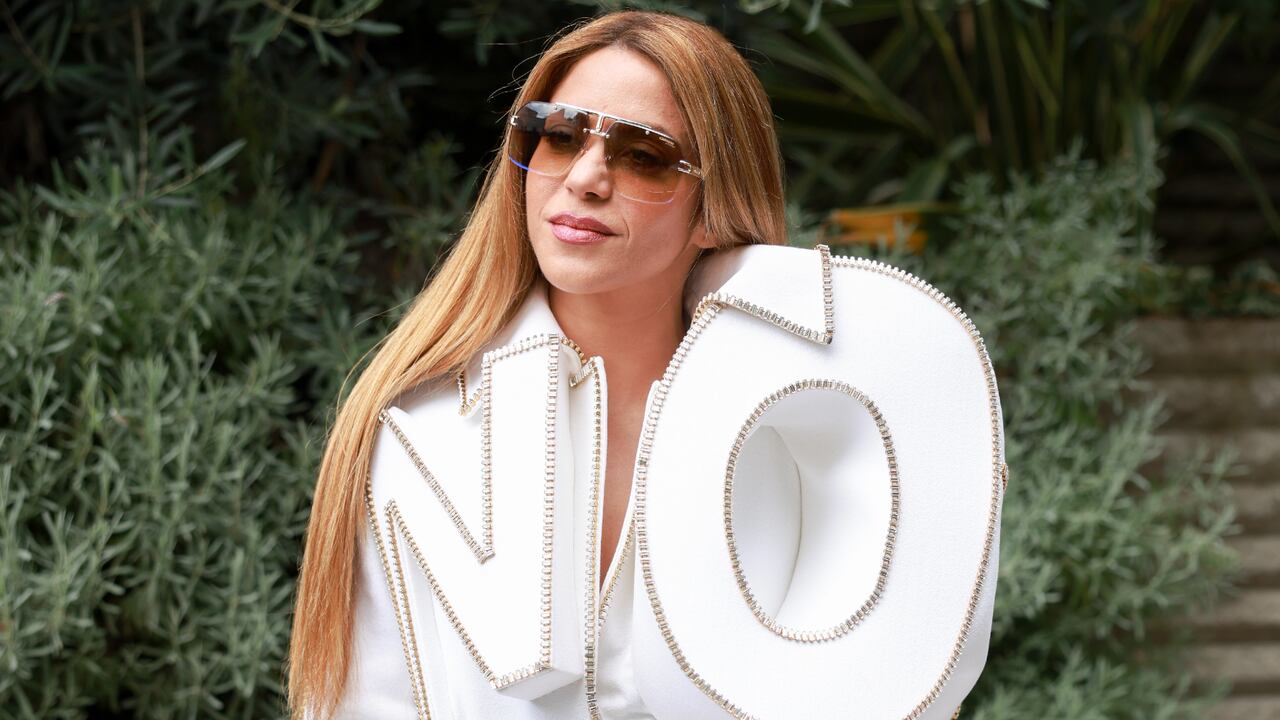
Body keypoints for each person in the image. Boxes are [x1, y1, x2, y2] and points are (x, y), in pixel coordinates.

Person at [287, 10, 1005, 720]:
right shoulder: (415, 431)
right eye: (560, 136)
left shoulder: (801, 442)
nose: (586, 178)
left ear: (715, 208)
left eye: (646, 156)